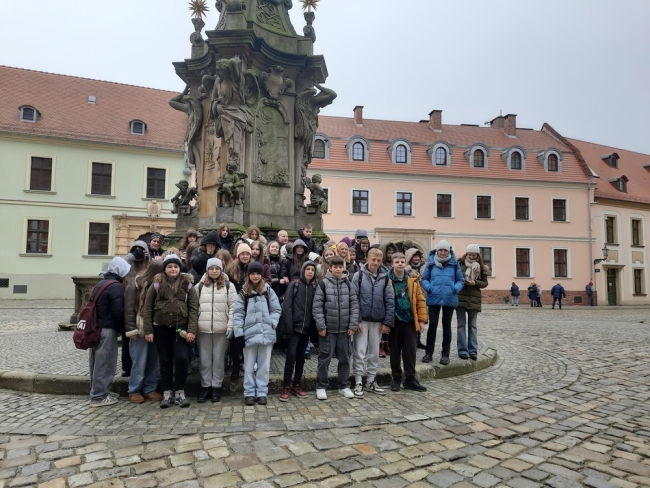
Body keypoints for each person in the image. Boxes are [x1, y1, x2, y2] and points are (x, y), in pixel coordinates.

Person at [142, 254, 199, 408]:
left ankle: (180, 391)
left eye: (175, 266)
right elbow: (147, 308)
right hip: (161, 328)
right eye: (170, 266)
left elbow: (194, 309)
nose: (173, 269)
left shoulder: (187, 284)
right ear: (165, 269)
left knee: (182, 359)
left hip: (181, 329)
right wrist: (148, 330)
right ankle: (167, 392)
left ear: (179, 268)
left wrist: (192, 330)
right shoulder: (156, 284)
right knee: (165, 361)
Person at [233, 262, 282, 405]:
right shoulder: (243, 292)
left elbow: (276, 310)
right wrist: (239, 333)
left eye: (258, 273)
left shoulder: (268, 291)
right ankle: (249, 392)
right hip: (249, 334)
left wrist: (272, 323)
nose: (255, 276)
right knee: (248, 366)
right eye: (253, 273)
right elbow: (237, 314)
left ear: (262, 275)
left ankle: (261, 392)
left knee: (264, 366)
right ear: (249, 275)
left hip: (266, 333)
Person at [313, 256, 359, 401]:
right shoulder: (323, 284)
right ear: (330, 268)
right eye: (336, 267)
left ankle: (344, 386)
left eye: (341, 267)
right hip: (328, 329)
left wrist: (352, 325)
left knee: (345, 358)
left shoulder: (348, 284)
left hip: (344, 330)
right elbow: (317, 307)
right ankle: (321, 386)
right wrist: (321, 325)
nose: (338, 269)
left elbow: (354, 306)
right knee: (324, 359)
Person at [351, 248, 395, 396]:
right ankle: (358, 381)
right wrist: (356, 320)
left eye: (378, 260)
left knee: (374, 353)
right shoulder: (359, 275)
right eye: (373, 259)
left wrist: (387, 322)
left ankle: (371, 380)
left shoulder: (385, 277)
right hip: (362, 321)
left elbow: (389, 300)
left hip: (378, 321)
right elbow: (354, 299)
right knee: (360, 352)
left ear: (381, 261)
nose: (375, 263)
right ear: (368, 259)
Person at [89, 257, 131, 407]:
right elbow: (118, 312)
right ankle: (99, 396)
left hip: (96, 328)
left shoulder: (101, 283)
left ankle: (100, 391)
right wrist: (123, 330)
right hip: (107, 329)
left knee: (96, 361)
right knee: (105, 362)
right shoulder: (116, 287)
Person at [197, 258, 238, 403]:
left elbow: (234, 307)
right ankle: (205, 386)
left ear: (221, 270)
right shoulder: (199, 286)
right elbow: (194, 307)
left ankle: (216, 386)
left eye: (217, 268)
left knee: (219, 359)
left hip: (221, 329)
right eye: (211, 268)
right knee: (205, 360)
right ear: (207, 270)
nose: (214, 271)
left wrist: (231, 326)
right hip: (203, 329)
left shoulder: (228, 286)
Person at [124, 260, 163, 404]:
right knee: (139, 361)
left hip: (155, 327)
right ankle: (134, 390)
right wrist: (131, 329)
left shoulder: (160, 285)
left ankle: (150, 388)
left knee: (153, 361)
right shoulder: (136, 284)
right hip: (139, 328)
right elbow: (128, 309)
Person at [421, 240, 464, 365]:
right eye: (441, 250)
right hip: (434, 297)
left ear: (448, 251)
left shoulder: (454, 264)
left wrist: (454, 289)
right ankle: (428, 353)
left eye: (445, 250)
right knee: (432, 326)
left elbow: (460, 280)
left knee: (447, 326)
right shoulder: (431, 263)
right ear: (437, 251)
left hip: (449, 298)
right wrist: (429, 288)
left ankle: (445, 354)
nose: (443, 252)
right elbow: (424, 279)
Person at [388, 252, 427, 392]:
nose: (399, 264)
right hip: (394, 322)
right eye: (397, 262)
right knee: (394, 352)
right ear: (392, 264)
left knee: (410, 351)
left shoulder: (412, 280)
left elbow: (420, 301)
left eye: (402, 262)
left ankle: (410, 378)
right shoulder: (387, 280)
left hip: (410, 322)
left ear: (405, 264)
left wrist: (422, 320)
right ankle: (396, 378)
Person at [279, 261, 317, 401]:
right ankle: (286, 386)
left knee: (301, 358)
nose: (310, 272)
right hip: (294, 329)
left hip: (306, 329)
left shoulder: (314, 287)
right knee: (291, 357)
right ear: (303, 270)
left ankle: (297, 384)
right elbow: (287, 307)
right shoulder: (294, 285)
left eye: (312, 270)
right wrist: (288, 327)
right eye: (308, 269)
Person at [456, 244, 489, 361]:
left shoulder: (481, 267)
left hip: (474, 299)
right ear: (466, 254)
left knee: (473, 326)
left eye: (473, 255)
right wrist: (465, 281)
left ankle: (473, 351)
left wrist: (476, 283)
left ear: (477, 255)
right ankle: (462, 351)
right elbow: (456, 278)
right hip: (461, 298)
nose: (471, 256)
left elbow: (485, 283)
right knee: (461, 326)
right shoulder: (460, 264)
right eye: (469, 254)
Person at [226, 242, 253, 379]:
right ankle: (235, 366)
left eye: (247, 254)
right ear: (238, 255)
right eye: (243, 253)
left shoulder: (253, 268)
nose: (245, 256)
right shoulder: (231, 269)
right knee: (235, 340)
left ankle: (246, 364)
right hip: (236, 306)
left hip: (250, 306)